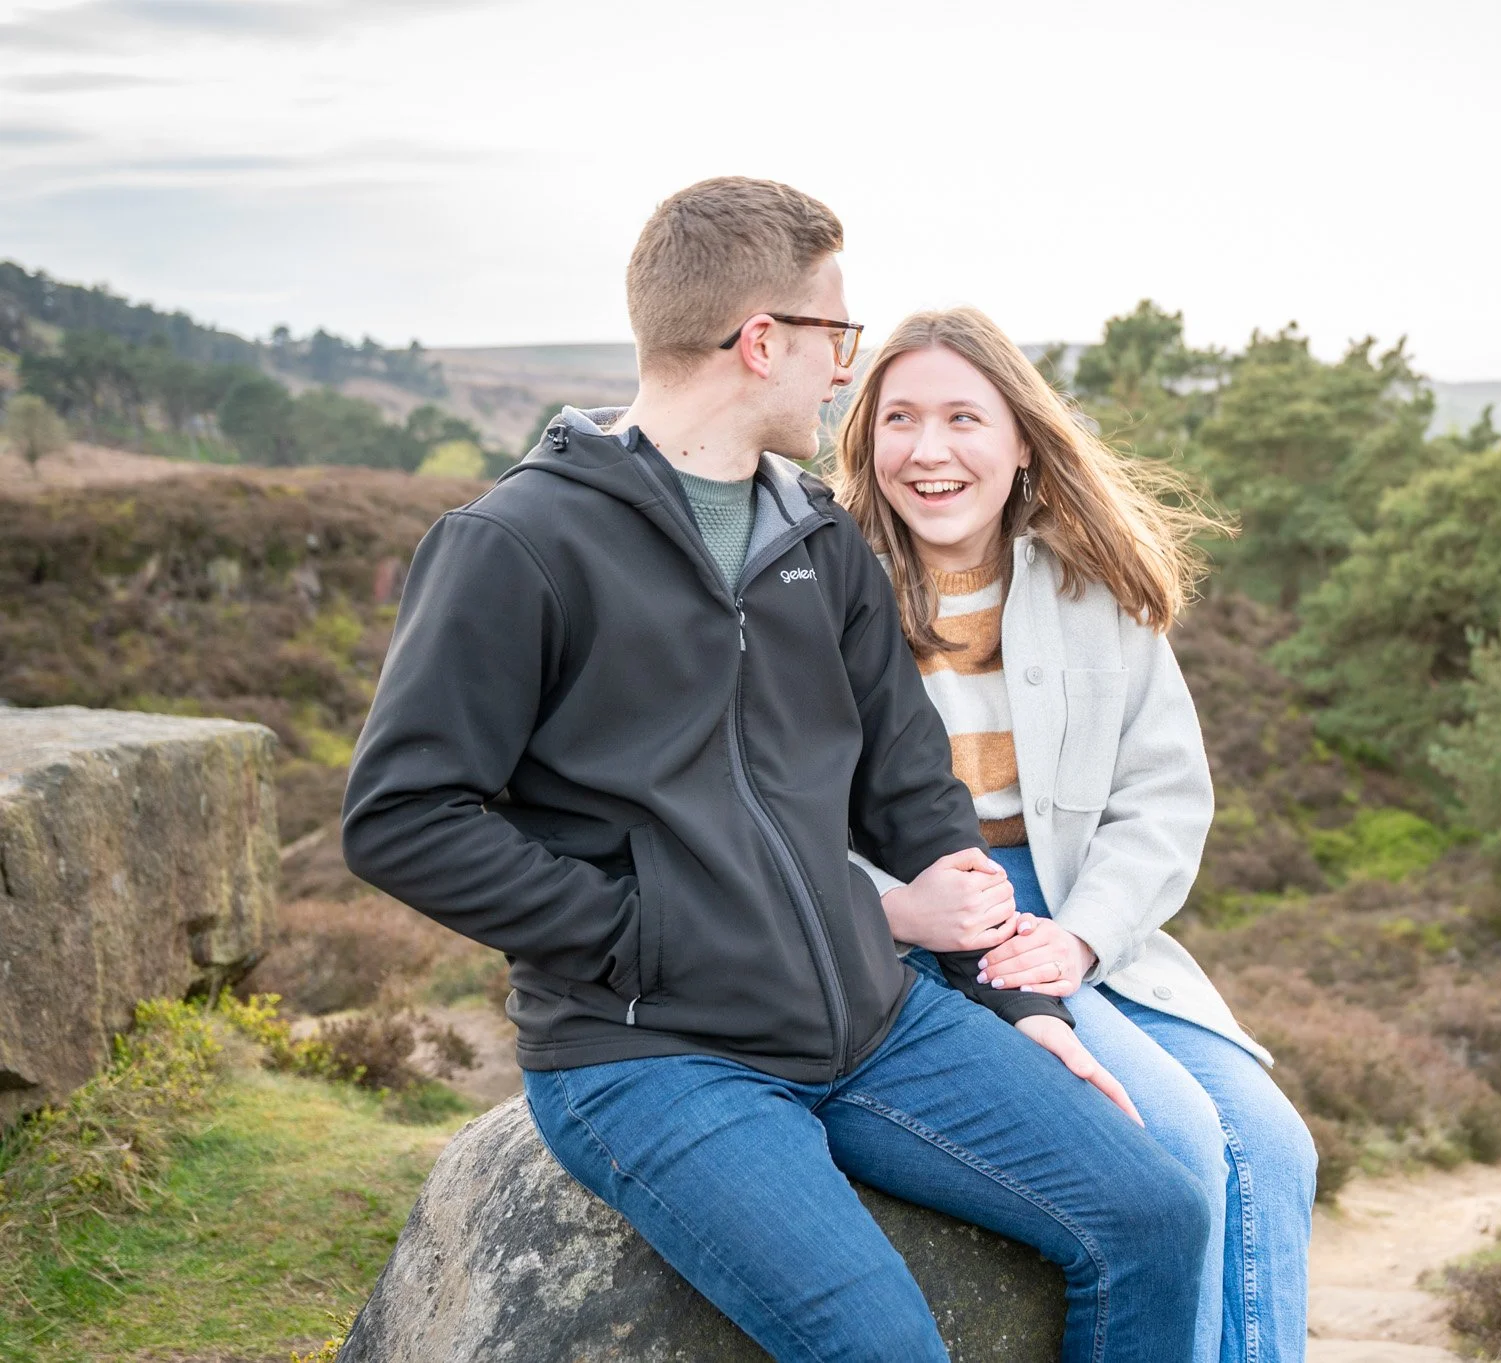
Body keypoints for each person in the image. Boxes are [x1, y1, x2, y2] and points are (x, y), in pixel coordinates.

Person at [339, 178, 1208, 1363]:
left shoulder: (817, 534)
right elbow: (403, 818)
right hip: (652, 1053)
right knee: (883, 1345)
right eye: (833, 337)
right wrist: (639, 935)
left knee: (1154, 1213)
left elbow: (909, 793)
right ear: (761, 342)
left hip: (873, 1022)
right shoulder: (516, 545)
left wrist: (1016, 999)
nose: (843, 372)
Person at [833, 307, 1320, 1363]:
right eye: (900, 417)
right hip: (937, 932)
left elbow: (1162, 798)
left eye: (964, 416)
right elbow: (789, 803)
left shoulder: (1088, 584)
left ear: (1019, 439)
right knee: (1176, 1139)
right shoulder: (821, 585)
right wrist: (913, 913)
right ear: (865, 439)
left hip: (1090, 917)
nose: (928, 450)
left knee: (1270, 1143)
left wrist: (1086, 934)